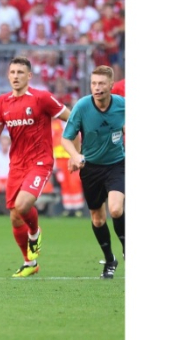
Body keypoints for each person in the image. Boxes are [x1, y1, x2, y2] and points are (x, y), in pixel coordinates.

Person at [0, 56, 75, 277]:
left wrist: (75, 152)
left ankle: (35, 233)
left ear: (29, 76)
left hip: (40, 162)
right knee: (15, 216)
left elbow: (72, 118)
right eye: (12, 72)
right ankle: (30, 263)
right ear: (8, 75)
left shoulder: (42, 98)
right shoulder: (2, 102)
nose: (15, 76)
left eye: (20, 72)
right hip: (16, 165)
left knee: (23, 205)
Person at [61, 65, 125, 279]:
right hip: (91, 168)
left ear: (111, 86)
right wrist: (75, 155)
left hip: (116, 164)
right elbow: (66, 138)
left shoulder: (122, 106)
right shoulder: (82, 107)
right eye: (93, 83)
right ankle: (109, 259)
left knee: (115, 209)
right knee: (98, 219)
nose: (97, 88)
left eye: (101, 84)